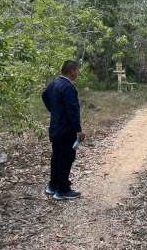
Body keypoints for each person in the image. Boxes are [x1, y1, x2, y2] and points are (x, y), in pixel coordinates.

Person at [42, 60, 85, 200]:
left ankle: (53, 186)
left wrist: (54, 111)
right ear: (72, 71)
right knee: (66, 158)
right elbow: (72, 110)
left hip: (55, 128)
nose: (78, 73)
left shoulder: (54, 84)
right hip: (66, 129)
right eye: (77, 71)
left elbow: (44, 96)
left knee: (56, 157)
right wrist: (78, 130)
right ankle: (63, 190)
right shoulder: (68, 87)